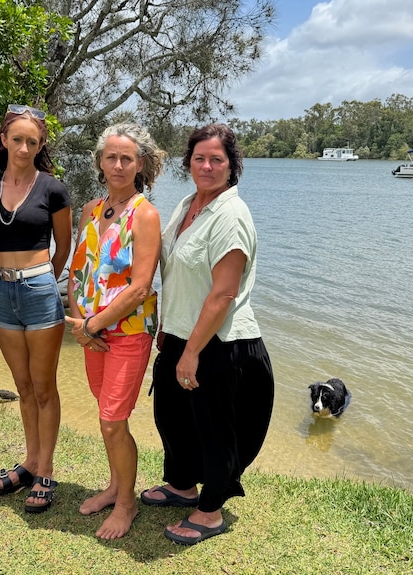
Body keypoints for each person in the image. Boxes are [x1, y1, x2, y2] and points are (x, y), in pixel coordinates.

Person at [140, 123, 275, 546]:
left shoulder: (231, 215)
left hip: (219, 342)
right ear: (189, 162)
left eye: (217, 159)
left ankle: (211, 510)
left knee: (215, 428)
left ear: (232, 166)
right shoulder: (188, 205)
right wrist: (166, 331)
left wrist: (192, 351)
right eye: (199, 157)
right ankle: (182, 485)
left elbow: (222, 295)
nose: (207, 165)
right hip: (181, 334)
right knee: (174, 417)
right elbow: (177, 275)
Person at [66, 123, 165, 539]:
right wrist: (80, 324)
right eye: (111, 157)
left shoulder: (146, 215)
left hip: (127, 332)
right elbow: (77, 269)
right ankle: (114, 487)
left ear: (140, 163)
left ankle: (127, 505)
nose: (119, 164)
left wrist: (94, 323)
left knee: (112, 419)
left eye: (127, 158)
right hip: (92, 333)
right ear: (100, 162)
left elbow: (141, 286)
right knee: (108, 416)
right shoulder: (91, 209)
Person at [0, 104, 72, 513]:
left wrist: (43, 279)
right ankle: (30, 462)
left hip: (38, 288)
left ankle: (45, 470)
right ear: (4, 140)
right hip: (3, 290)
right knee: (24, 386)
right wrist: (5, 277)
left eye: (33, 141)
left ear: (40, 144)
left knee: (44, 386)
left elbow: (63, 247)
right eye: (17, 139)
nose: (24, 147)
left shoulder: (53, 189)